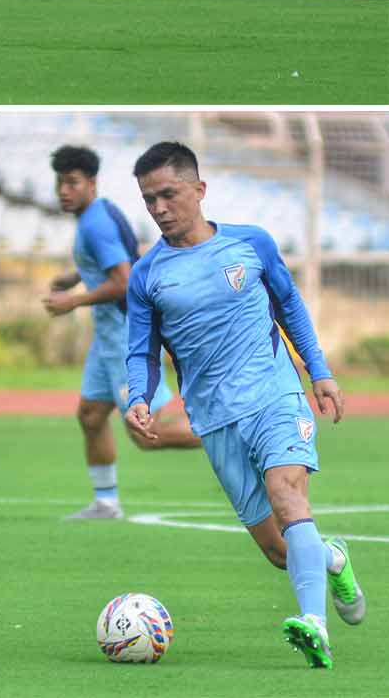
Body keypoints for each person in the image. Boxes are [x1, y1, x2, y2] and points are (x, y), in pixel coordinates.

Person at [125, 141, 365, 669]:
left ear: (199, 190)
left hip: (274, 395)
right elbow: (141, 350)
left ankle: (314, 625)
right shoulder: (147, 276)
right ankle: (332, 557)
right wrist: (137, 397)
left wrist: (318, 372)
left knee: (287, 494)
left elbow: (289, 306)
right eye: (148, 200)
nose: (160, 208)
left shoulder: (250, 244)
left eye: (168, 194)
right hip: (214, 419)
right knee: (279, 551)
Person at [41, 146, 198, 521]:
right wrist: (76, 275)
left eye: (72, 183)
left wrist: (74, 300)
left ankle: (229, 434)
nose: (64, 190)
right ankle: (106, 502)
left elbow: (124, 281)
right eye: (60, 182)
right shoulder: (98, 214)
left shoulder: (95, 224)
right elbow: (119, 259)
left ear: (91, 183)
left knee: (148, 433)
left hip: (127, 337)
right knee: (91, 415)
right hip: (106, 339)